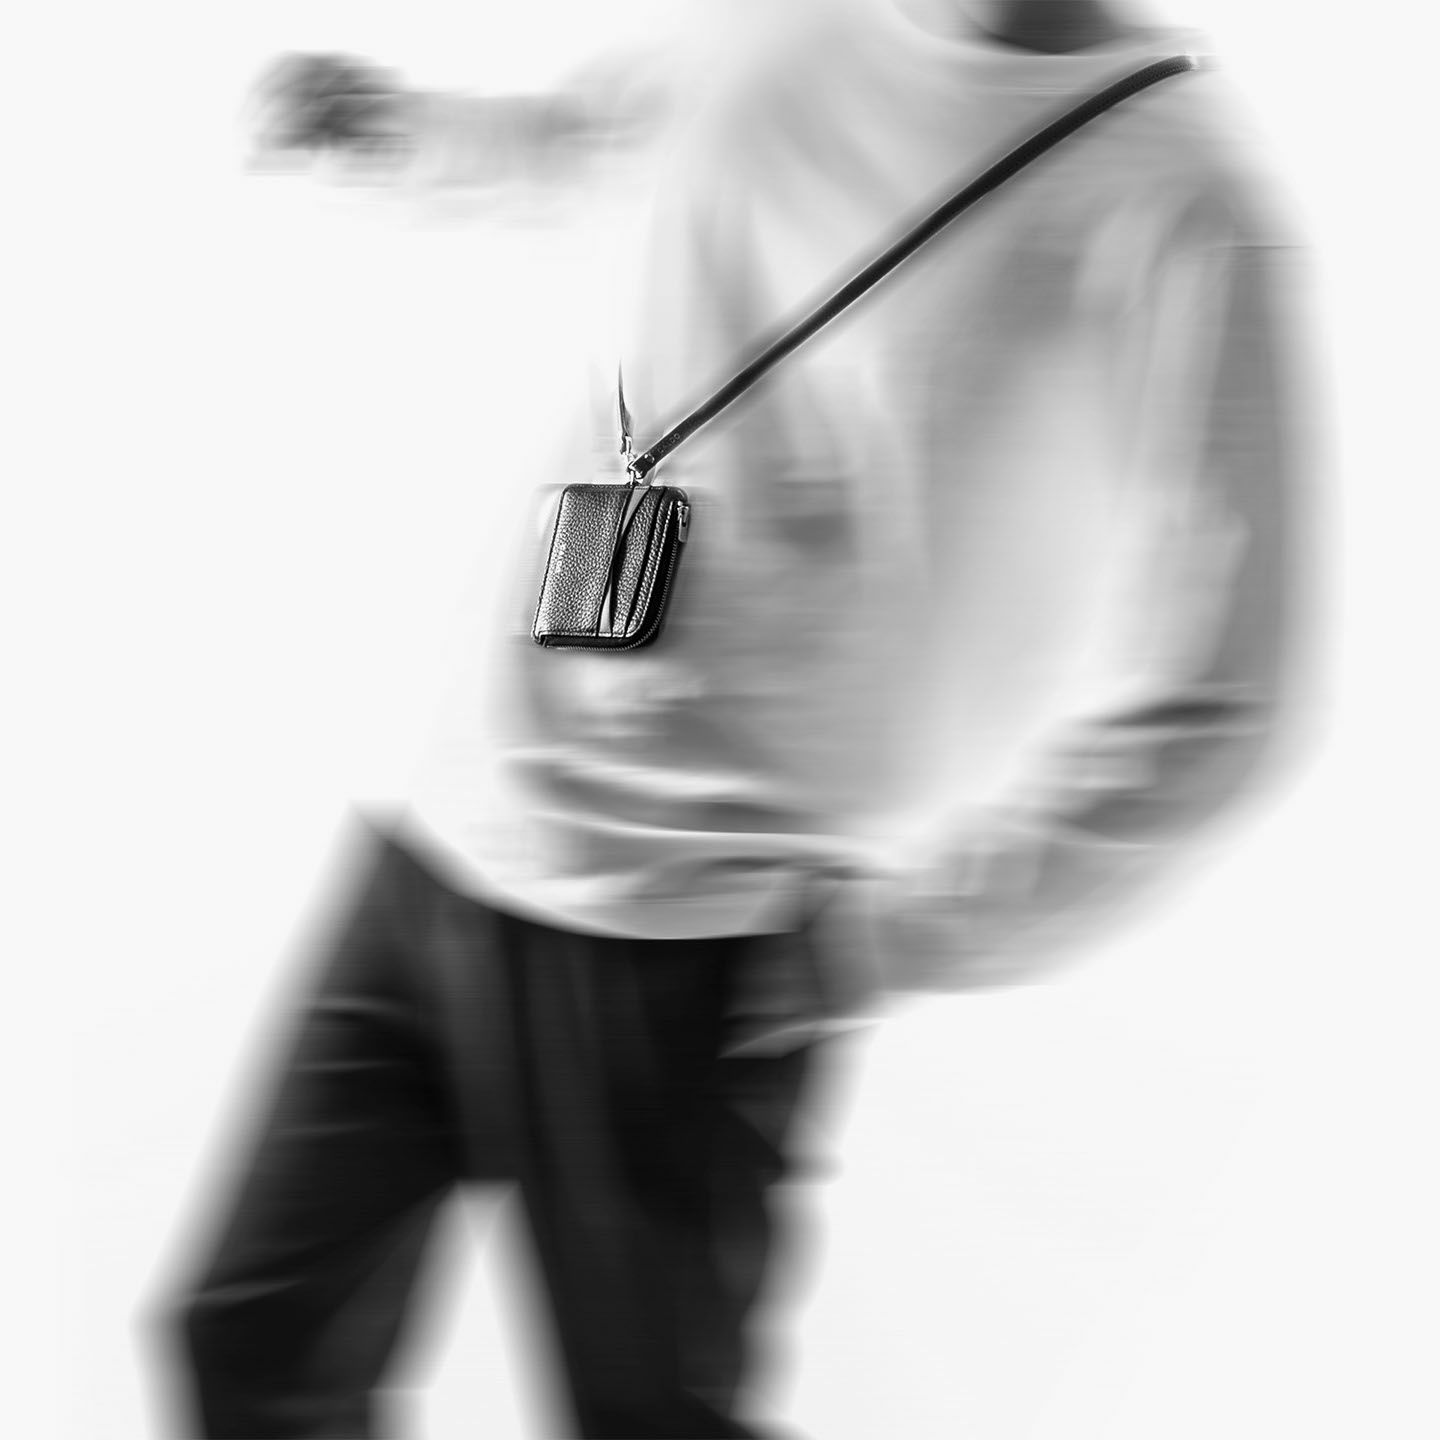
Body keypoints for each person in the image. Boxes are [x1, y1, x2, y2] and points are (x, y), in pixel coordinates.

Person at [161, 1, 1309, 1435]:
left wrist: (901, 934)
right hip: (442, 830)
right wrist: (386, 131)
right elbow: (579, 147)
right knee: (249, 1348)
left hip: (686, 932)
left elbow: (1234, 697)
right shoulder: (777, 24)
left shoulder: (1180, 195)